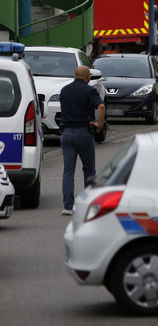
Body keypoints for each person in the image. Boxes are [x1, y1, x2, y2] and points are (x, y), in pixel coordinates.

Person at [59, 65, 105, 216]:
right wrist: (99, 123)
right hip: (84, 133)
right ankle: (87, 205)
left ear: (75, 75)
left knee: (68, 171)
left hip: (66, 134)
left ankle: (67, 206)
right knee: (89, 170)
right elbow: (101, 106)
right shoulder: (89, 90)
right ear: (88, 77)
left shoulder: (64, 90)